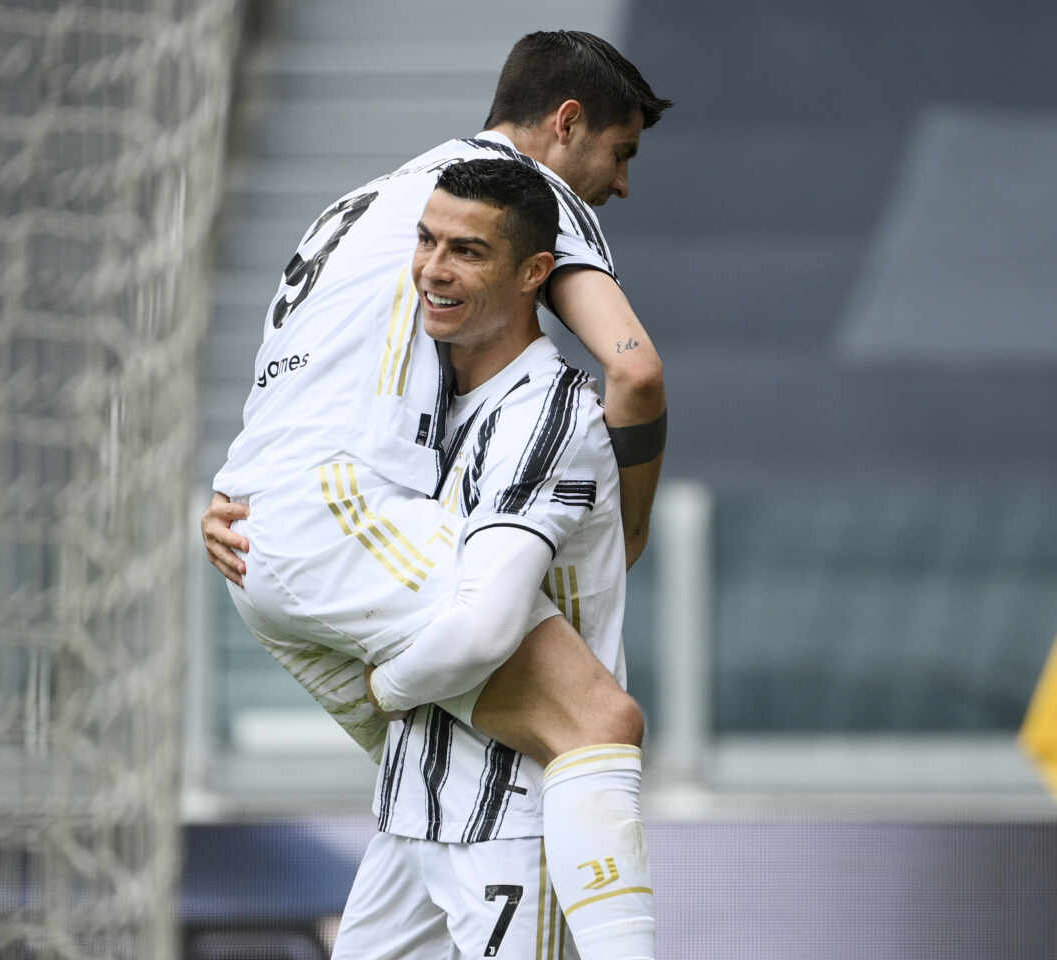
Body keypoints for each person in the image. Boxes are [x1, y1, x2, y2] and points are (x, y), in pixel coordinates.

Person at [202, 33, 670, 960]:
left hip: (251, 527)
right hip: (341, 516)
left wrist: (235, 496)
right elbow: (635, 370)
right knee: (592, 720)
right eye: (619, 155)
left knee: (453, 756)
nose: (619, 185)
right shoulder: (510, 199)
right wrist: (627, 534)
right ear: (566, 123)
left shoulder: (368, 202)